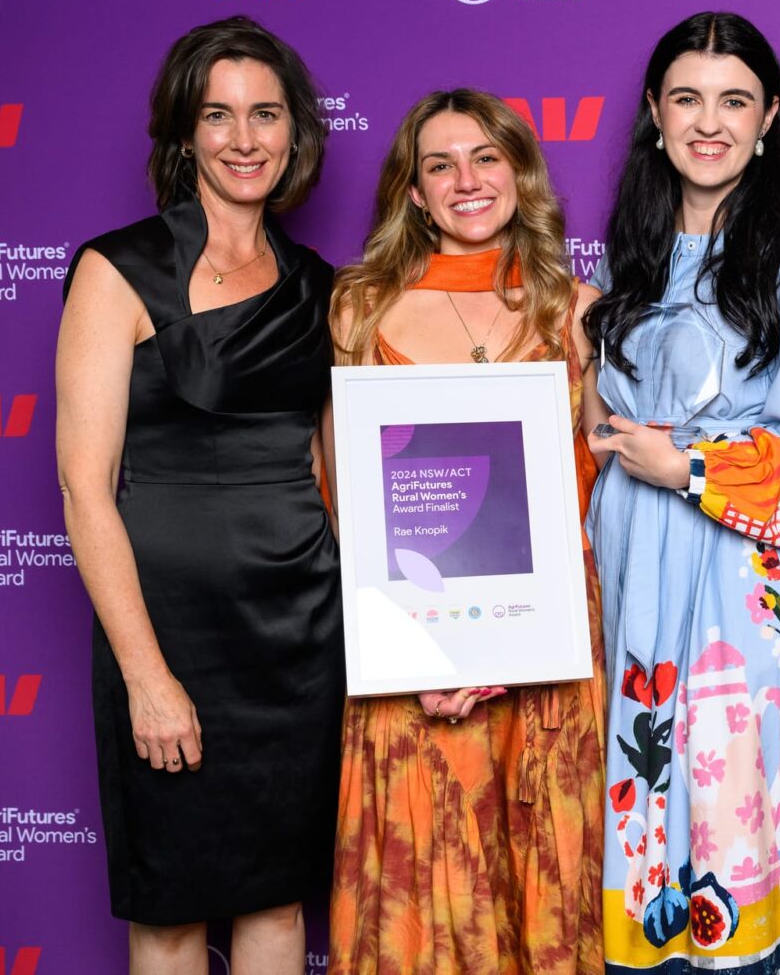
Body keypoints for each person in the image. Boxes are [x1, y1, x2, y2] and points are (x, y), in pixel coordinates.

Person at [56, 15, 340, 974]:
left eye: (266, 115)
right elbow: (83, 489)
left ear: (295, 132)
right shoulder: (117, 270)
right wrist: (146, 676)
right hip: (168, 629)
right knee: (172, 915)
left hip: (299, 631)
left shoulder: (320, 288)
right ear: (186, 135)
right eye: (218, 117)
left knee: (276, 904)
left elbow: (339, 473)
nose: (245, 138)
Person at [583, 11, 780, 973]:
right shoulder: (632, 261)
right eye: (687, 99)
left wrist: (685, 466)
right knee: (652, 812)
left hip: (740, 608)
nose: (709, 122)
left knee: (735, 824)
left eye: (734, 100)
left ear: (770, 117)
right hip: (638, 589)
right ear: (655, 116)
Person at [324, 89, 607, 974]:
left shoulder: (576, 308)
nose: (466, 181)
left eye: (486, 157)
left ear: (520, 173)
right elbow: (346, 493)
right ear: (412, 192)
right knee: (427, 874)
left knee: (549, 875)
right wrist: (433, 650)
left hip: (551, 649)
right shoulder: (360, 310)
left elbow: (595, 483)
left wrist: (519, 638)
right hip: (414, 648)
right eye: (438, 165)